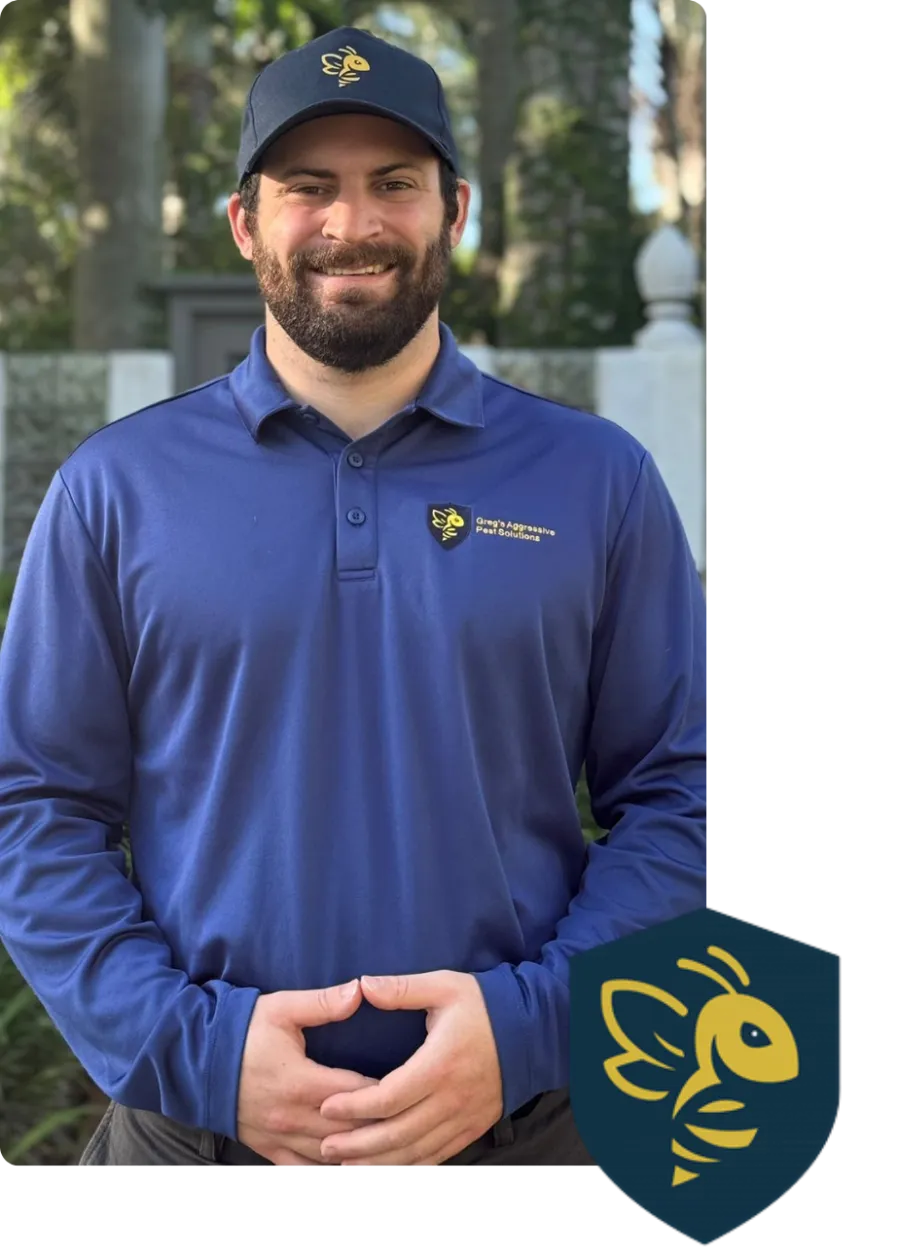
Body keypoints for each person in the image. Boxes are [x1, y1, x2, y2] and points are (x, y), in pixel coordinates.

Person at [0, 26, 709, 1170]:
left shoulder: (596, 479)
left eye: (395, 183)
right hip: (196, 1136)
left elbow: (685, 793)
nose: (353, 222)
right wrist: (201, 1051)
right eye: (307, 187)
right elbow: (30, 807)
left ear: (455, 212)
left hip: (534, 1126)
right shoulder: (116, 489)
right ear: (245, 222)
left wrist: (532, 1027)